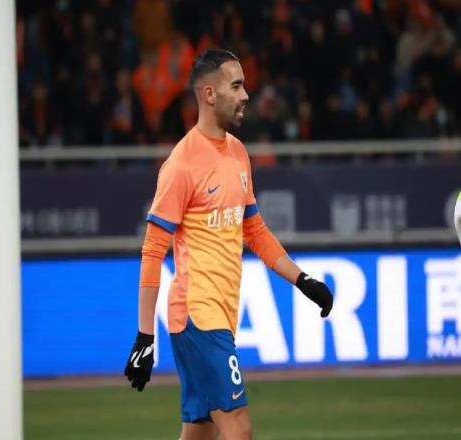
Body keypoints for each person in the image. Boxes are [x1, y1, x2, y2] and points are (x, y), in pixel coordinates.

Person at [124, 49, 334, 440]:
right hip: (198, 317)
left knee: (200, 433)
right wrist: (144, 337)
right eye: (236, 86)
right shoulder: (181, 164)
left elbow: (255, 231)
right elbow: (153, 250)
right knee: (238, 428)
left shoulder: (238, 153)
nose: (245, 95)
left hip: (221, 315)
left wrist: (303, 281)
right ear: (209, 94)